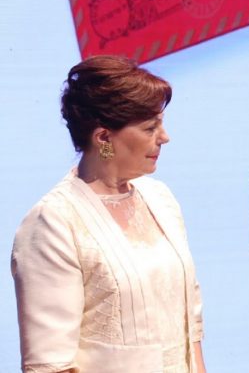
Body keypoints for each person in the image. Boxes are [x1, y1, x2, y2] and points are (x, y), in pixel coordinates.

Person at [11, 55, 205, 373]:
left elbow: (190, 324)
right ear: (103, 139)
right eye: (150, 127)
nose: (164, 137)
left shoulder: (160, 199)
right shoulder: (54, 222)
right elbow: (51, 363)